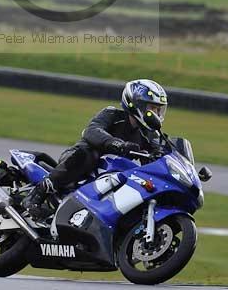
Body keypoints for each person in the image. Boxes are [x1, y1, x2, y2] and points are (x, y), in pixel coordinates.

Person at [23, 79, 168, 219]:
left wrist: (164, 155)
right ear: (136, 104)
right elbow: (91, 131)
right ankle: (37, 194)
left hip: (111, 175)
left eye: (158, 109)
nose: (156, 114)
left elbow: (158, 152)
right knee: (89, 154)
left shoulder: (149, 135)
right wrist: (117, 144)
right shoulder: (112, 114)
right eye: (152, 108)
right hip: (79, 159)